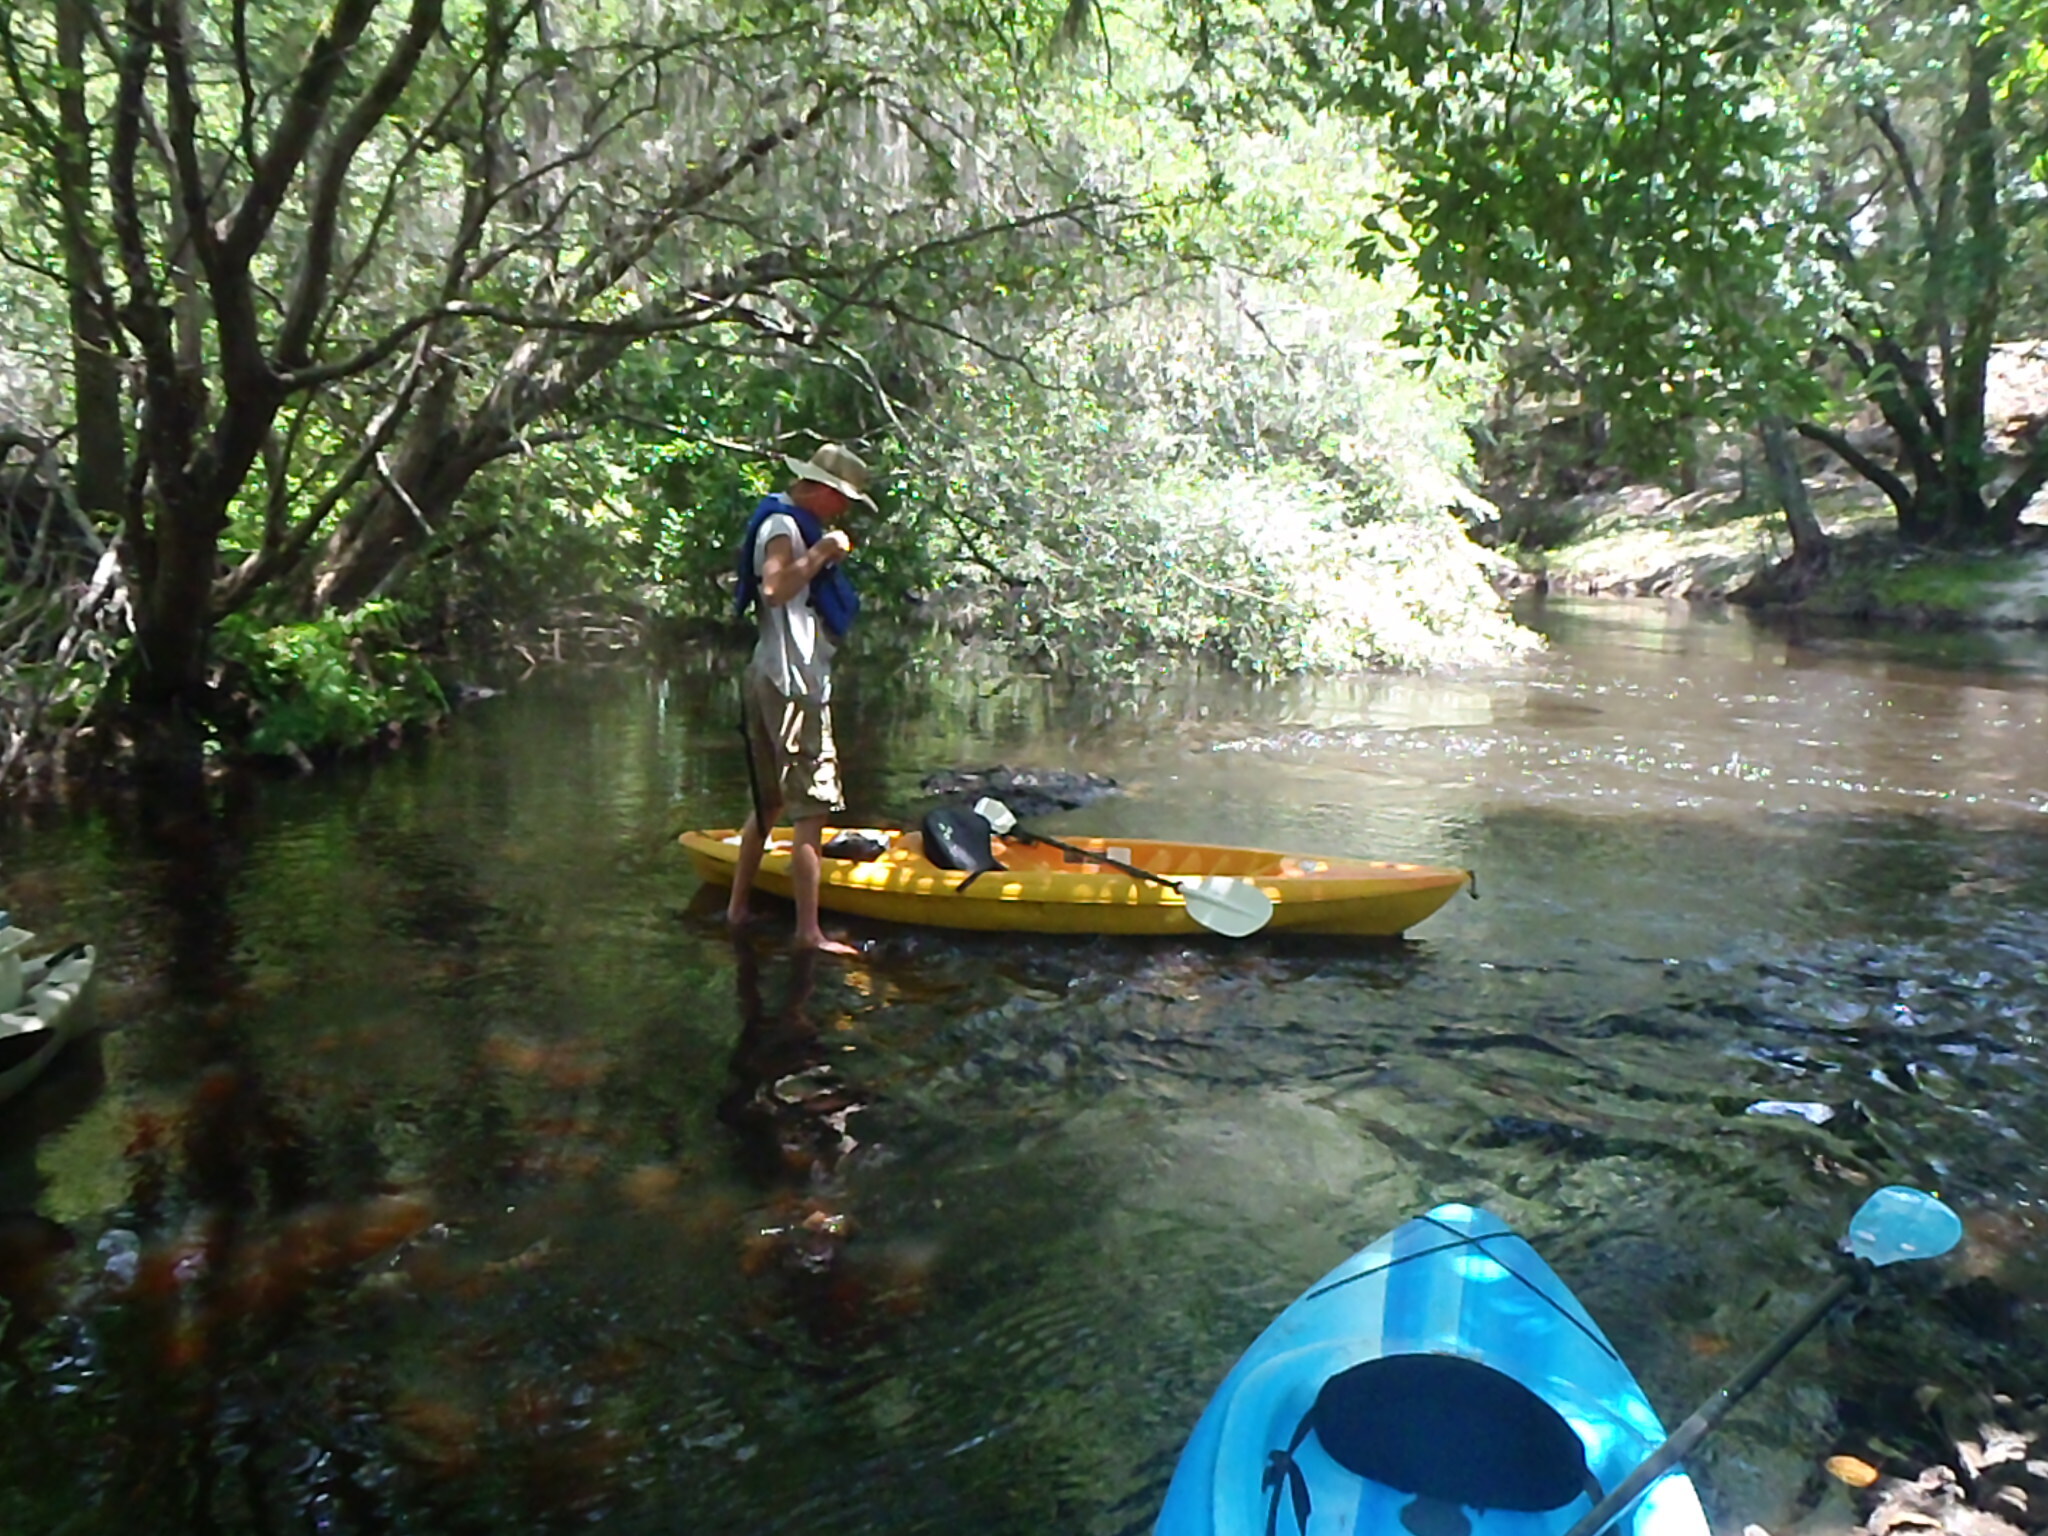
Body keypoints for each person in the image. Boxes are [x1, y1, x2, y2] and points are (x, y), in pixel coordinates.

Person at [726, 441, 874, 954]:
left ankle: (737, 909)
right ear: (822, 489)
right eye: (844, 497)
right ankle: (808, 932)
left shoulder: (784, 523)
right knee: (810, 811)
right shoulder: (786, 528)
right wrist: (824, 552)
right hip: (792, 686)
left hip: (771, 676)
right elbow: (774, 589)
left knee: (768, 803)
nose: (846, 510)